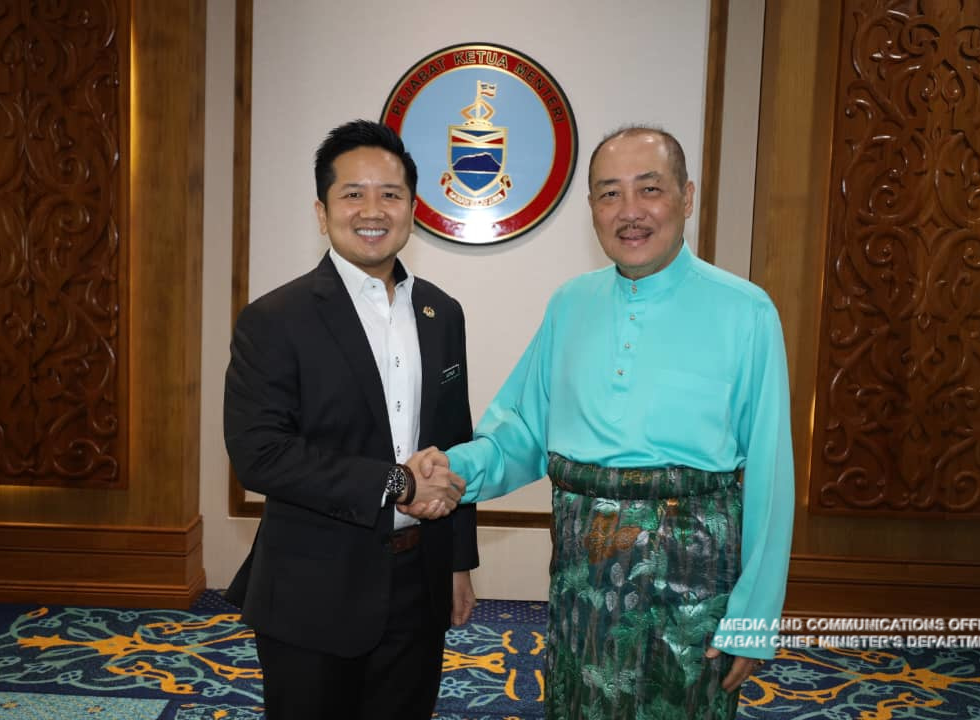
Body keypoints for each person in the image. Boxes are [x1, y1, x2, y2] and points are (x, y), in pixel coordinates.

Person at [438, 126, 794, 719]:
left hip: (697, 584)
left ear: (687, 197)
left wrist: (753, 621)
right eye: (609, 194)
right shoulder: (569, 304)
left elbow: (771, 477)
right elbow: (521, 433)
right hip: (585, 576)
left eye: (649, 189)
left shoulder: (747, 311)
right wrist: (452, 470)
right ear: (592, 208)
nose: (629, 212)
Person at [223, 119, 479, 720]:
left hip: (420, 581)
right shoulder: (274, 319)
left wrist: (458, 562)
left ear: (412, 209)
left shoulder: (442, 312)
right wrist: (397, 483)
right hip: (314, 588)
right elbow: (259, 454)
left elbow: (455, 442)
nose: (372, 210)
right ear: (322, 212)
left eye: (390, 194)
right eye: (352, 194)